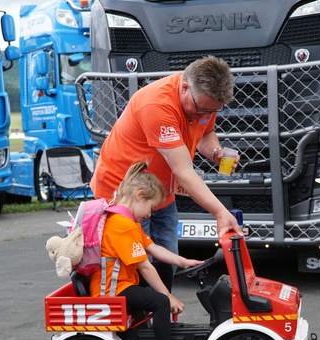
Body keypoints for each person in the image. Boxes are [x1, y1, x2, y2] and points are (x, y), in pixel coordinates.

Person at [90, 55, 243, 258]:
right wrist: (221, 212)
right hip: (125, 195)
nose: (204, 114)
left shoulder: (205, 101)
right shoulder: (157, 105)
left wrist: (215, 152)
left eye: (213, 110)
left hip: (160, 194)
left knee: (167, 264)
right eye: (200, 109)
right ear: (185, 87)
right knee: (136, 269)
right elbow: (183, 170)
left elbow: (205, 132)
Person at [90, 161, 204, 340]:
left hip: (120, 282)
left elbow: (155, 250)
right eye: (151, 208)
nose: (150, 214)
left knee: (163, 268)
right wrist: (169, 298)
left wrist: (184, 262)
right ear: (139, 196)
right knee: (160, 301)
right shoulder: (122, 226)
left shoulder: (126, 222)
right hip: (112, 289)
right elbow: (144, 267)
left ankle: (156, 330)